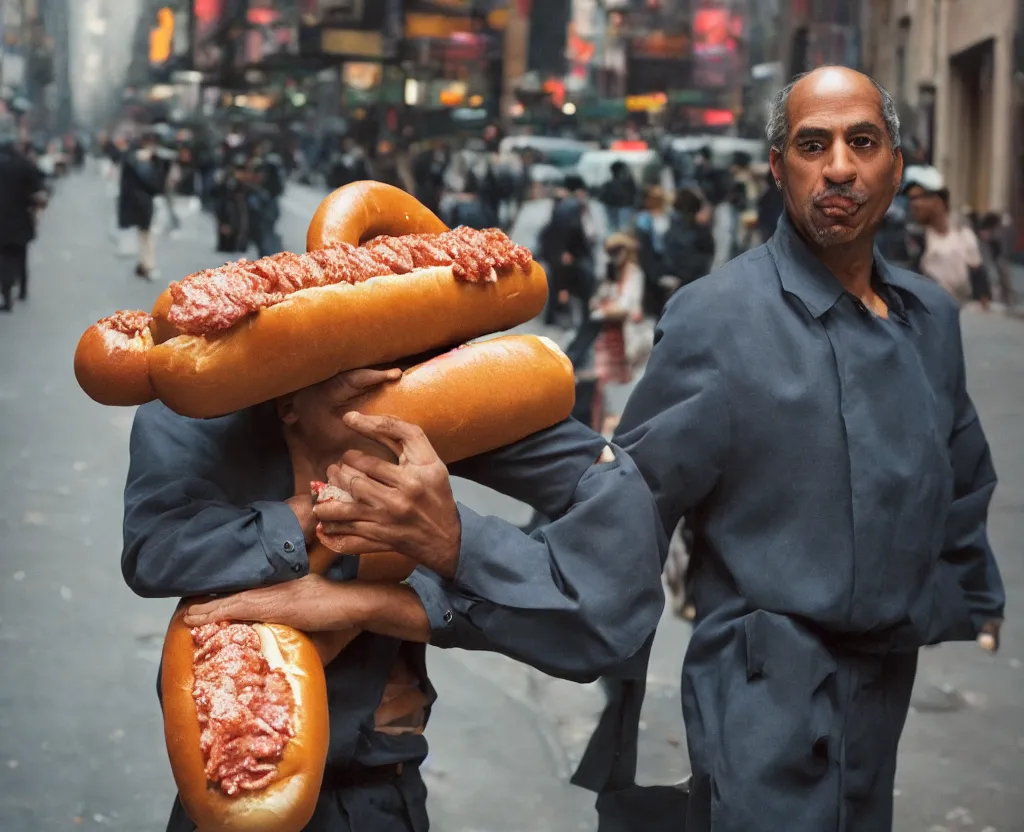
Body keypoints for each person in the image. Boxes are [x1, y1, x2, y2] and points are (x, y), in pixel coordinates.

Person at [579, 66, 1005, 832]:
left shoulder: (929, 318)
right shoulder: (717, 318)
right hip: (757, 695)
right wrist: (457, 567)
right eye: (814, 144)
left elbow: (959, 468)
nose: (839, 166)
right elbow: (624, 508)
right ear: (779, 167)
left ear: (895, 167)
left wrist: (964, 595)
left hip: (880, 693)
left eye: (862, 142)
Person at [123, 361, 666, 832]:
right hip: (236, 779)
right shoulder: (213, 409)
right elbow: (154, 553)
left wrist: (393, 588)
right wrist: (317, 507)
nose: (390, 376)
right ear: (286, 400)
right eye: (356, 373)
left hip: (382, 793)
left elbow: (601, 619)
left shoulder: (435, 400)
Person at [902, 166, 985, 309]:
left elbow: (978, 275)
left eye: (918, 198)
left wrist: (983, 299)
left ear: (938, 201)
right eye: (911, 199)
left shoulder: (964, 236)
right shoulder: (914, 239)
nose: (913, 204)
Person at [0, 123, 46, 311]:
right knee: (19, 253)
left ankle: (6, 290)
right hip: (20, 218)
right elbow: (38, 192)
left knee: (3, 255)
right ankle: (22, 289)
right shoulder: (25, 164)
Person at [118, 130, 166, 280]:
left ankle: (144, 263)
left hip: (137, 200)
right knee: (147, 233)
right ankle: (147, 264)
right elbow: (154, 181)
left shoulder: (133, 156)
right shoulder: (143, 159)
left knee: (144, 233)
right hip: (144, 200)